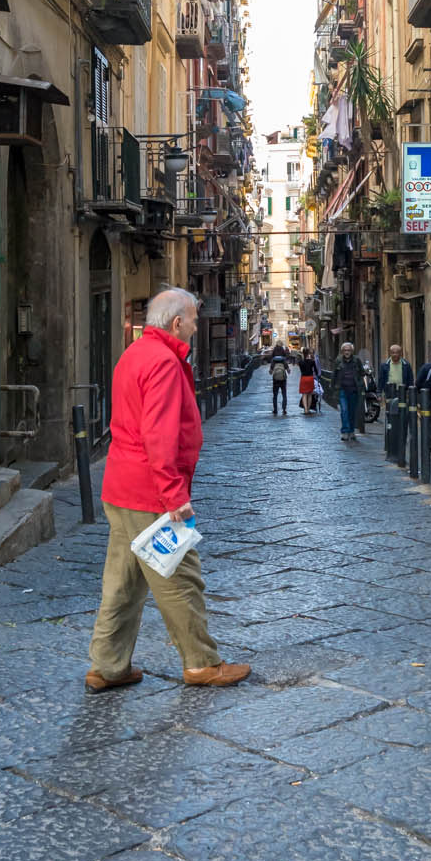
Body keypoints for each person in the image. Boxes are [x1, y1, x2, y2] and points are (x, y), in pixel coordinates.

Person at [86, 288, 251, 691]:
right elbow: (158, 435)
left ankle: (107, 667)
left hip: (121, 486)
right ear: (177, 323)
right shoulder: (163, 362)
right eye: (194, 319)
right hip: (150, 492)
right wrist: (174, 495)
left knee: (122, 582)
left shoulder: (134, 354)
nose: (196, 326)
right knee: (179, 577)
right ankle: (201, 663)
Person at [331, 341, 365, 440]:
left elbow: (362, 373)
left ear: (352, 351)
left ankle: (351, 431)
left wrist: (360, 382)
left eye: (349, 350)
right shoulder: (338, 360)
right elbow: (334, 374)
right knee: (344, 411)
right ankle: (345, 431)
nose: (347, 352)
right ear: (342, 351)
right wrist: (333, 386)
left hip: (354, 390)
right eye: (345, 350)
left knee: (352, 412)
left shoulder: (357, 360)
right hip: (342, 390)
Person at [270, 344, 289, 415]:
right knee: (284, 394)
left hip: (275, 379)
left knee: (275, 395)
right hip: (283, 379)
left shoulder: (273, 360)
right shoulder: (283, 360)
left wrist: (273, 370)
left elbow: (270, 372)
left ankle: (275, 410)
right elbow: (288, 371)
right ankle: (284, 409)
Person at [298, 347, 317, 414]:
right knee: (309, 394)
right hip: (310, 378)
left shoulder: (300, 362)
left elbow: (301, 370)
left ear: (302, 353)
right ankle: (308, 409)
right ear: (308, 353)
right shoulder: (312, 361)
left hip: (303, 378)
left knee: (304, 394)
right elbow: (316, 371)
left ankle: (305, 409)